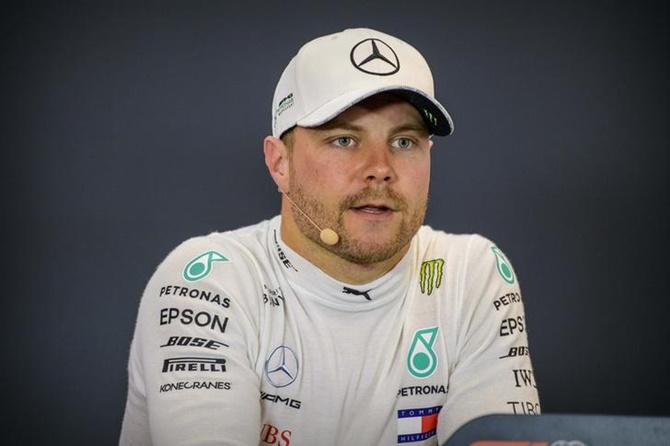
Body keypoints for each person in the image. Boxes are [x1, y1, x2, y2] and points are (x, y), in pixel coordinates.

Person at [119, 28, 540, 446]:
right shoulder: (206, 281)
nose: (380, 167)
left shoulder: (470, 273)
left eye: (404, 140)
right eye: (344, 139)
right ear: (279, 163)